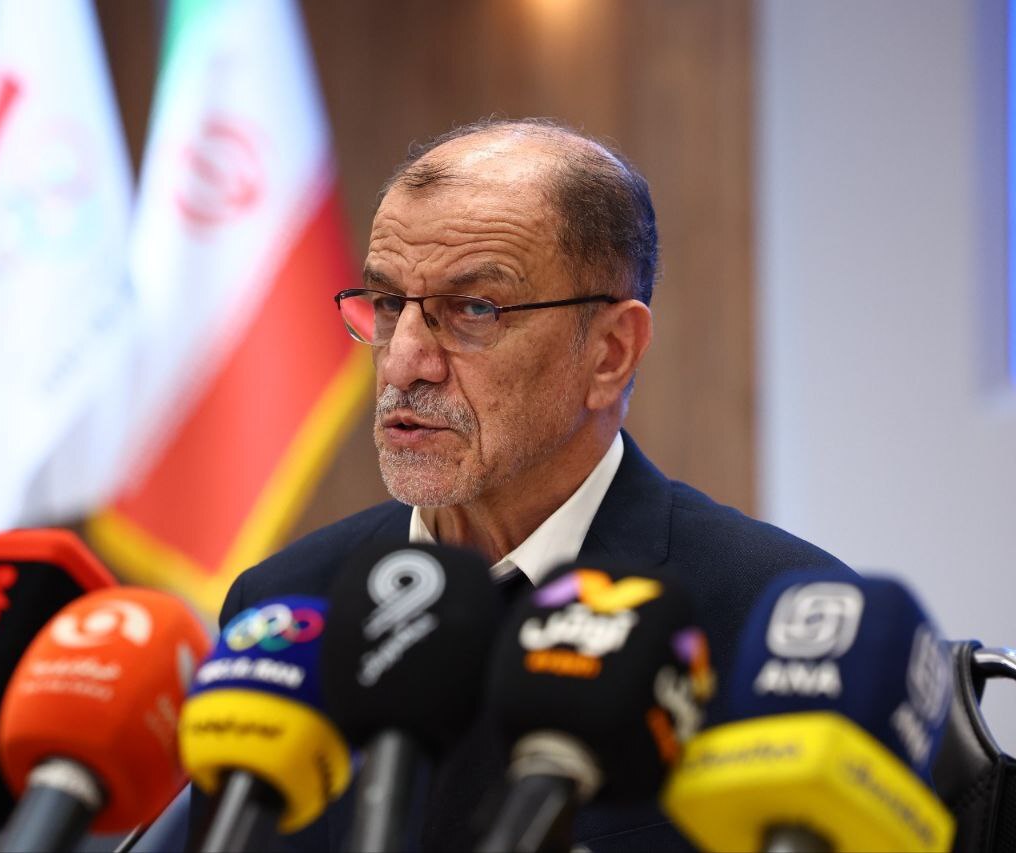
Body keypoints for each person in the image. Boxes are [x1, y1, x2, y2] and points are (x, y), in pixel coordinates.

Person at [173, 118, 854, 851]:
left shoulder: (772, 627)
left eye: (474, 309)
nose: (403, 362)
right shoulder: (284, 608)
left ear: (610, 352)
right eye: (389, 303)